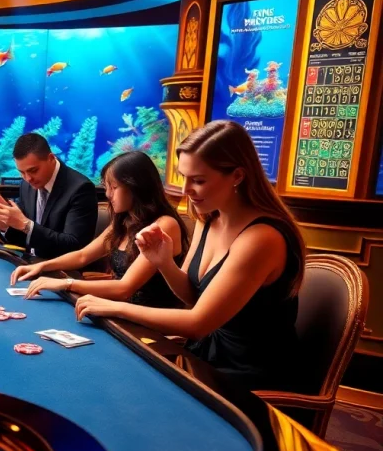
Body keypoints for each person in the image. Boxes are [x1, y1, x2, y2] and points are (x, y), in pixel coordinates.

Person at [75, 121, 306, 392]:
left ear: (238, 176)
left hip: (248, 375)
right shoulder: (208, 219)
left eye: (198, 180)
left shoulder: (261, 238)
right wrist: (164, 263)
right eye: (183, 177)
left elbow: (198, 322)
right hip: (205, 356)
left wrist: (114, 306)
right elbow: (194, 297)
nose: (185, 190)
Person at [10, 151, 189, 307]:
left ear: (136, 187)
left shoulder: (165, 224)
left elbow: (124, 288)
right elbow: (83, 256)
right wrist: (41, 266)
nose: (108, 194)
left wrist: (65, 283)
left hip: (149, 323)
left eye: (114, 187)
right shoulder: (124, 220)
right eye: (106, 187)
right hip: (118, 311)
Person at [0, 133, 98, 259]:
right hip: (29, 264)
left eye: (33, 170)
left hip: (63, 272)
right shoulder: (26, 185)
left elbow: (75, 246)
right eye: (22, 172)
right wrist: (6, 225)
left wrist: (25, 224)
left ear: (51, 158)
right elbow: (27, 241)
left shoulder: (80, 188)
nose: (28, 178)